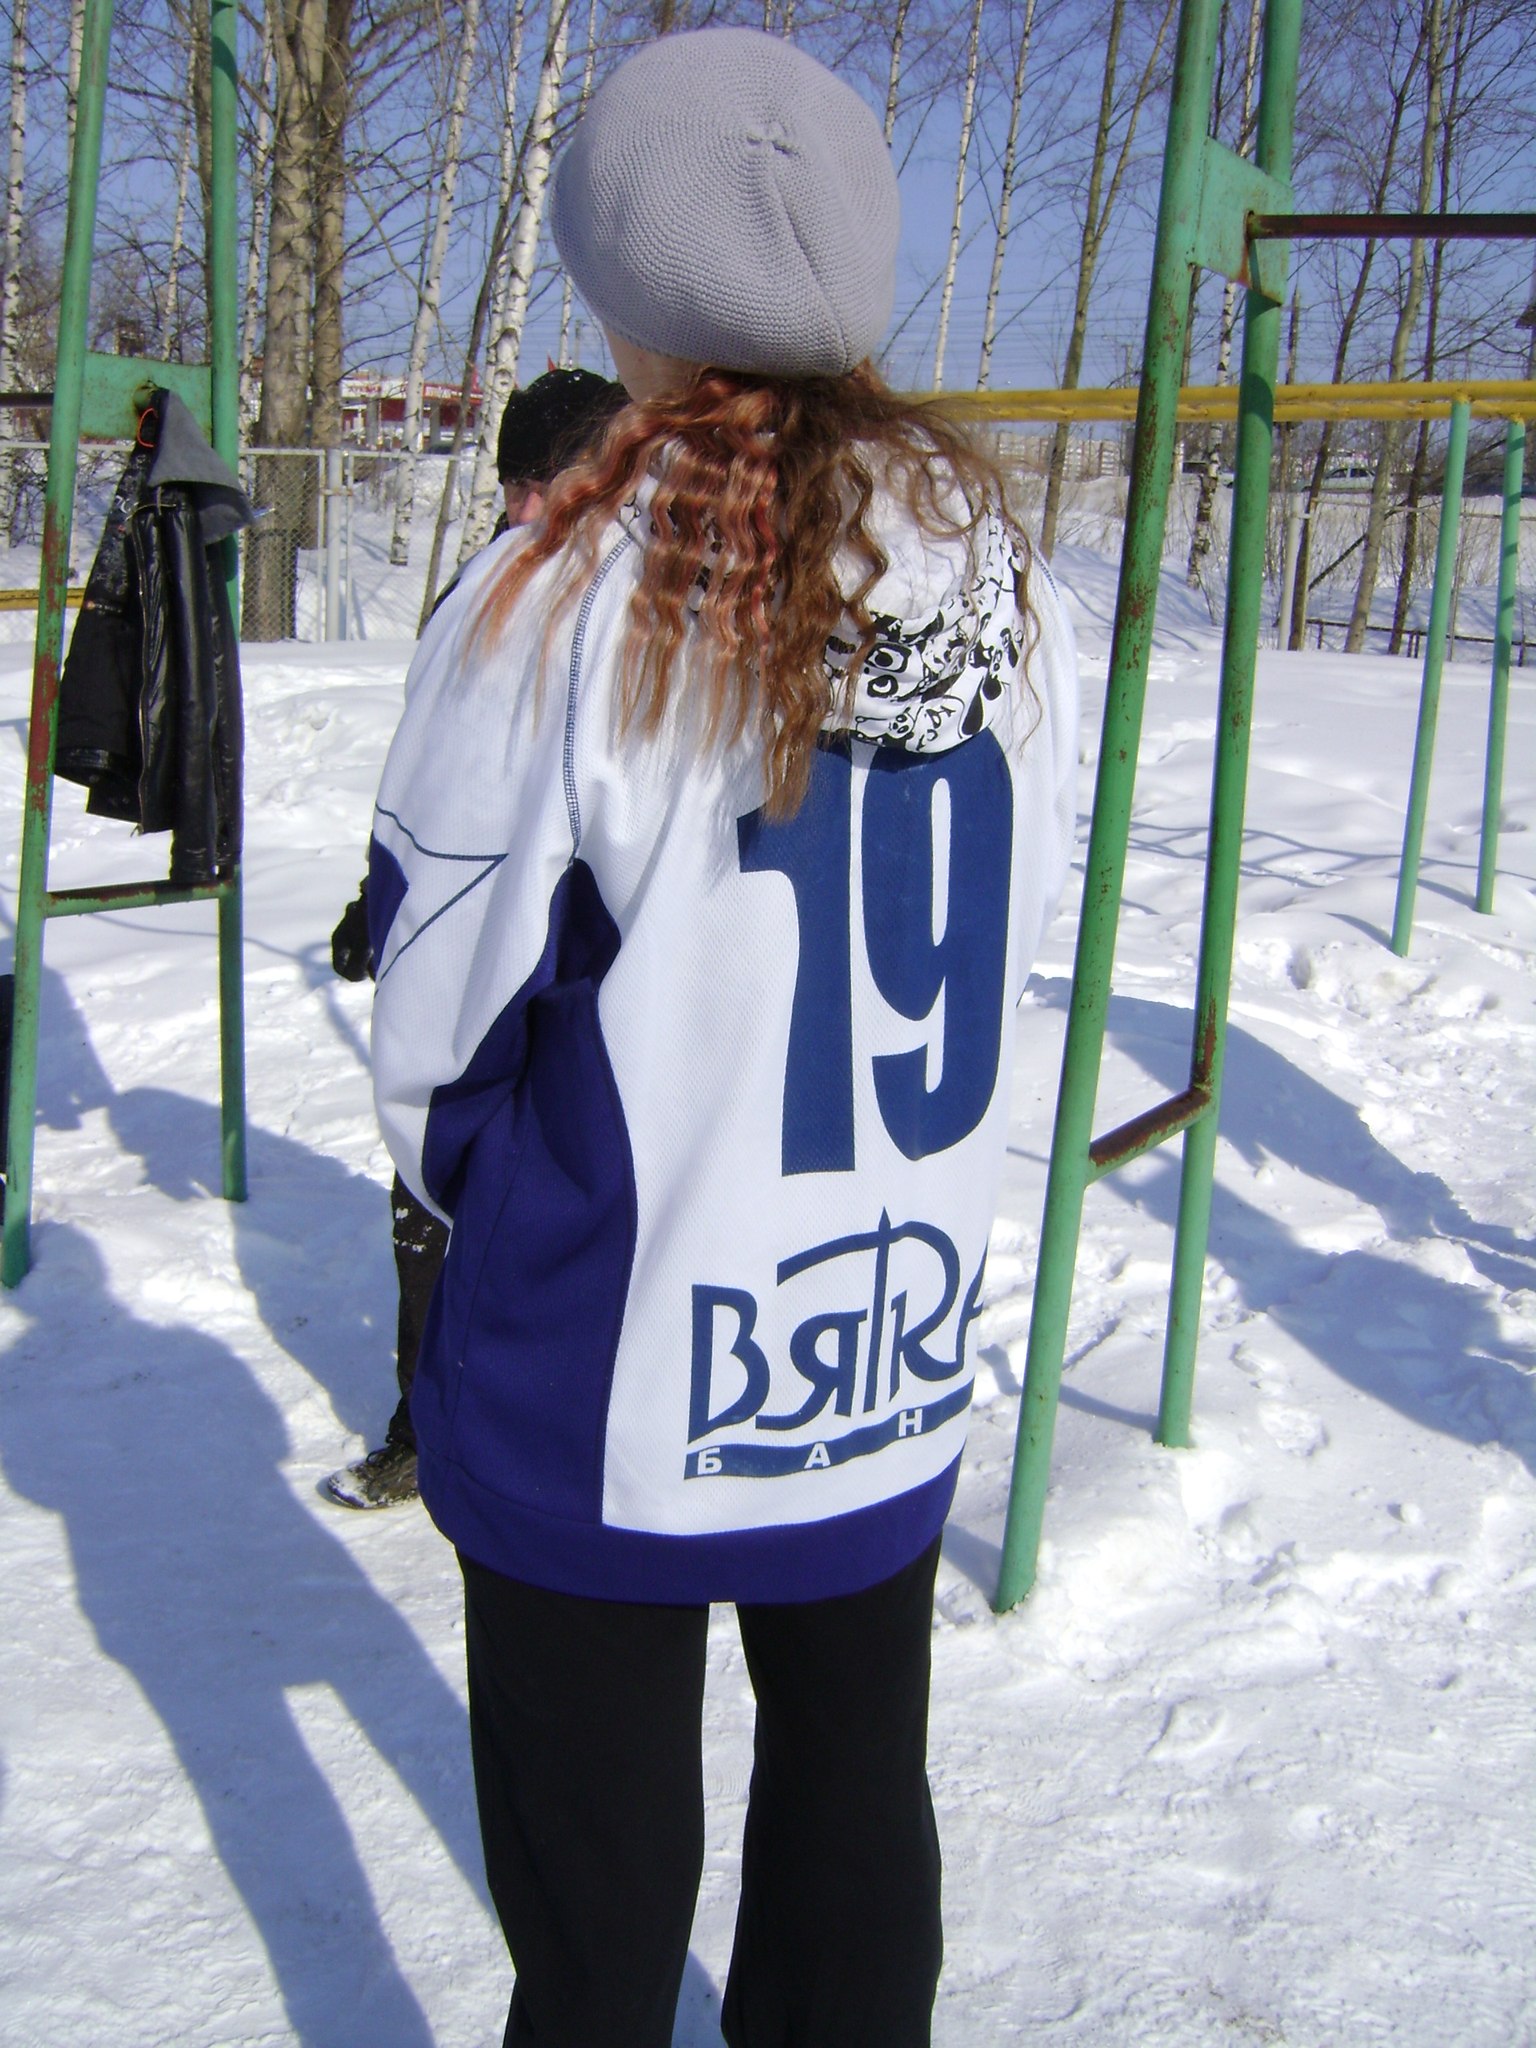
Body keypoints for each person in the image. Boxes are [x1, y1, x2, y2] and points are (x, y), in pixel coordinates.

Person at [369, 26, 1079, 2047]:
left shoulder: (564, 587)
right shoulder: (1013, 581)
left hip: (612, 1355)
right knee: (855, 1837)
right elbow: (1020, 927)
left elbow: (441, 1008)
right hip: (879, 1327)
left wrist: (502, 1209)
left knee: (597, 1924)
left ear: (623, 270)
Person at [323, 367, 626, 1510]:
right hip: (473, 938)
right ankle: (426, 1423)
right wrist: (379, 897)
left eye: (549, 485)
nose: (522, 511)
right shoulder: (482, 590)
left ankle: (562, 1432)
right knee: (436, 1180)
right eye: (512, 486)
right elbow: (430, 773)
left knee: (569, 1199)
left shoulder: (645, 600)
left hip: (591, 955)